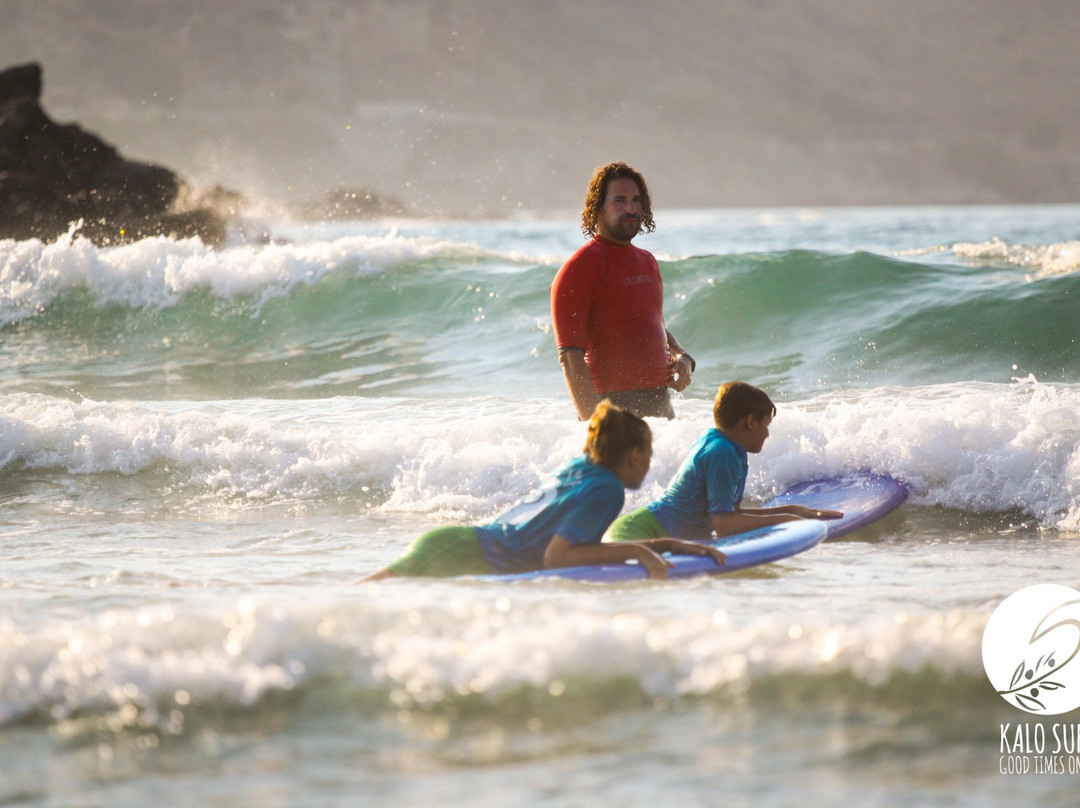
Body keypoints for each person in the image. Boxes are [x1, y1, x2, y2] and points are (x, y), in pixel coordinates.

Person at [360, 401, 726, 582]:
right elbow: (556, 559)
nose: (649, 464)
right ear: (633, 456)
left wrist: (667, 544)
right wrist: (635, 550)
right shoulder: (608, 490)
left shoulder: (583, 470)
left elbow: (572, 548)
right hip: (460, 554)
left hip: (454, 546)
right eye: (649, 455)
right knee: (363, 605)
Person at [606, 381, 843, 542]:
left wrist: (793, 510)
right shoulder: (722, 452)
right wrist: (787, 521)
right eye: (765, 425)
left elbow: (732, 513)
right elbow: (724, 525)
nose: (768, 434)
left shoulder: (728, 447)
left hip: (646, 533)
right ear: (750, 422)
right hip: (637, 534)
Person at [550, 162, 695, 421]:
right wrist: (595, 427)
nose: (630, 208)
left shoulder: (647, 261)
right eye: (620, 200)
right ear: (599, 207)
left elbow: (656, 327)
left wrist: (683, 357)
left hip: (659, 401)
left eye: (636, 200)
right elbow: (570, 358)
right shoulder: (578, 268)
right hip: (611, 407)